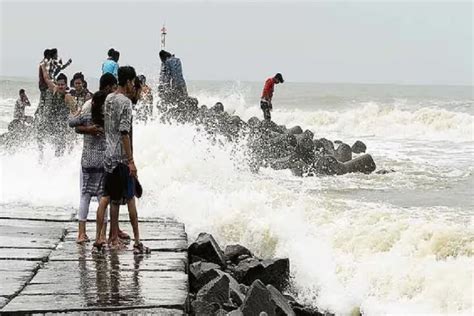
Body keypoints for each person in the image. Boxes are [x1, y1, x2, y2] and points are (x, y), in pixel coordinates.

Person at [94, 66, 149, 255]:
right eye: (133, 82)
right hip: (121, 158)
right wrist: (131, 160)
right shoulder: (126, 102)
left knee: (111, 199)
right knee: (131, 198)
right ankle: (137, 241)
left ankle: (108, 238)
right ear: (127, 82)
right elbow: (124, 131)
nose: (134, 86)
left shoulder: (109, 98)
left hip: (108, 156)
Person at [68, 91, 109, 244]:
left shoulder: (86, 115)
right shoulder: (107, 117)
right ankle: (102, 235)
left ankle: (81, 233)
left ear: (92, 103)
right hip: (103, 160)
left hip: (87, 160)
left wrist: (76, 110)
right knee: (102, 198)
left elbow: (72, 123)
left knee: (85, 196)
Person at [37, 66, 76, 157]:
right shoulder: (54, 89)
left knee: (59, 150)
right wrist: (43, 66)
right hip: (51, 124)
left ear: (66, 85)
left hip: (62, 127)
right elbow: (46, 78)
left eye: (62, 85)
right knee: (42, 139)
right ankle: (42, 159)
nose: (60, 86)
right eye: (59, 84)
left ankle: (59, 165)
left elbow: (75, 113)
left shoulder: (68, 97)